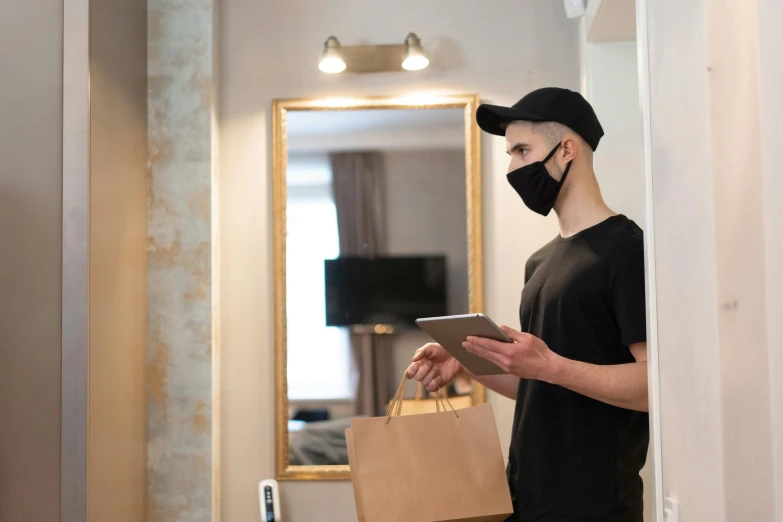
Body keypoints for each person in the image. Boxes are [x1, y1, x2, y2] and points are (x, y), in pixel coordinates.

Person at [407, 87, 649, 522]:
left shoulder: (626, 251)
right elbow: (538, 388)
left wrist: (550, 365)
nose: (513, 167)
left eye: (522, 150)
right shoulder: (540, 263)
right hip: (524, 498)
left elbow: (655, 388)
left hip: (595, 507)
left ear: (567, 150)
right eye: (510, 154)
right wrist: (468, 361)